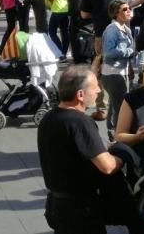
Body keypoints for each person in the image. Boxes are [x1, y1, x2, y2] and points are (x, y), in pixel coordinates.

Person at [38, 66, 124, 234]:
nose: (99, 90)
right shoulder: (80, 122)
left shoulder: (49, 117)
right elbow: (107, 166)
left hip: (57, 204)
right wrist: (121, 156)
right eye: (94, 87)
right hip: (81, 209)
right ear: (80, 95)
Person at [101, 0, 135, 141]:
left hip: (121, 72)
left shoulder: (125, 28)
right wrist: (129, 51)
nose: (129, 11)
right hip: (112, 73)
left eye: (129, 8)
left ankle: (112, 133)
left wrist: (130, 66)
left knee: (115, 104)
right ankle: (116, 134)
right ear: (116, 13)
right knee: (120, 106)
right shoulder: (112, 30)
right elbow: (108, 52)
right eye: (125, 9)